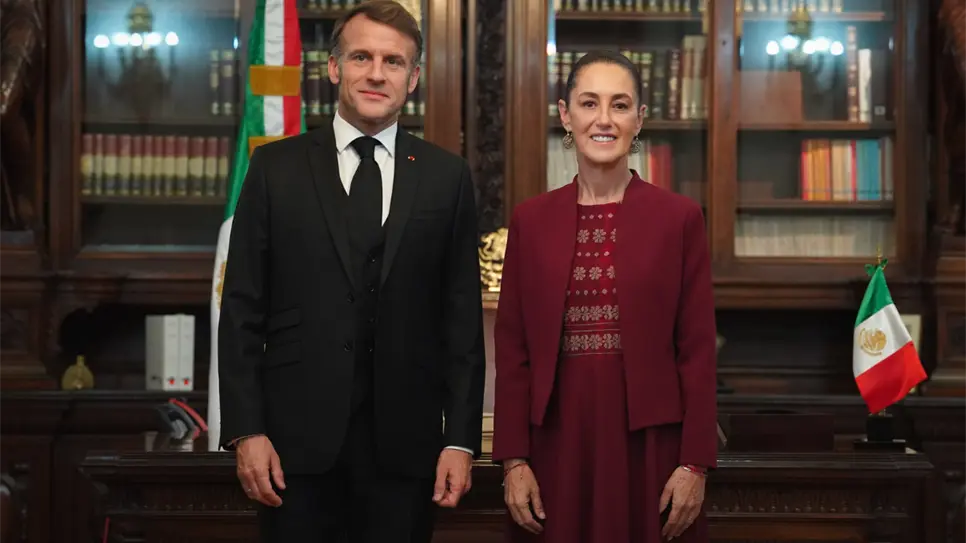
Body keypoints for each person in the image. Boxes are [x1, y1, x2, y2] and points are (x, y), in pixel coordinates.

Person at [217, 2, 486, 542]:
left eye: (393, 61)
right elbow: (242, 310)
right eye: (362, 56)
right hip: (292, 451)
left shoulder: (446, 177)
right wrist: (246, 429)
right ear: (334, 67)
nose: (376, 73)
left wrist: (460, 439)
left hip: (406, 452)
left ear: (413, 78)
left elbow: (461, 321)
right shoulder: (275, 169)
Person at [492, 50, 718, 543]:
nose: (604, 119)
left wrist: (695, 465)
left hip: (651, 448)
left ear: (639, 120)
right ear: (565, 115)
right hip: (556, 443)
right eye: (589, 103)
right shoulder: (531, 221)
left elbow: (698, 351)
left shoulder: (679, 219)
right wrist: (513, 461)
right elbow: (513, 353)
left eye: (620, 106)